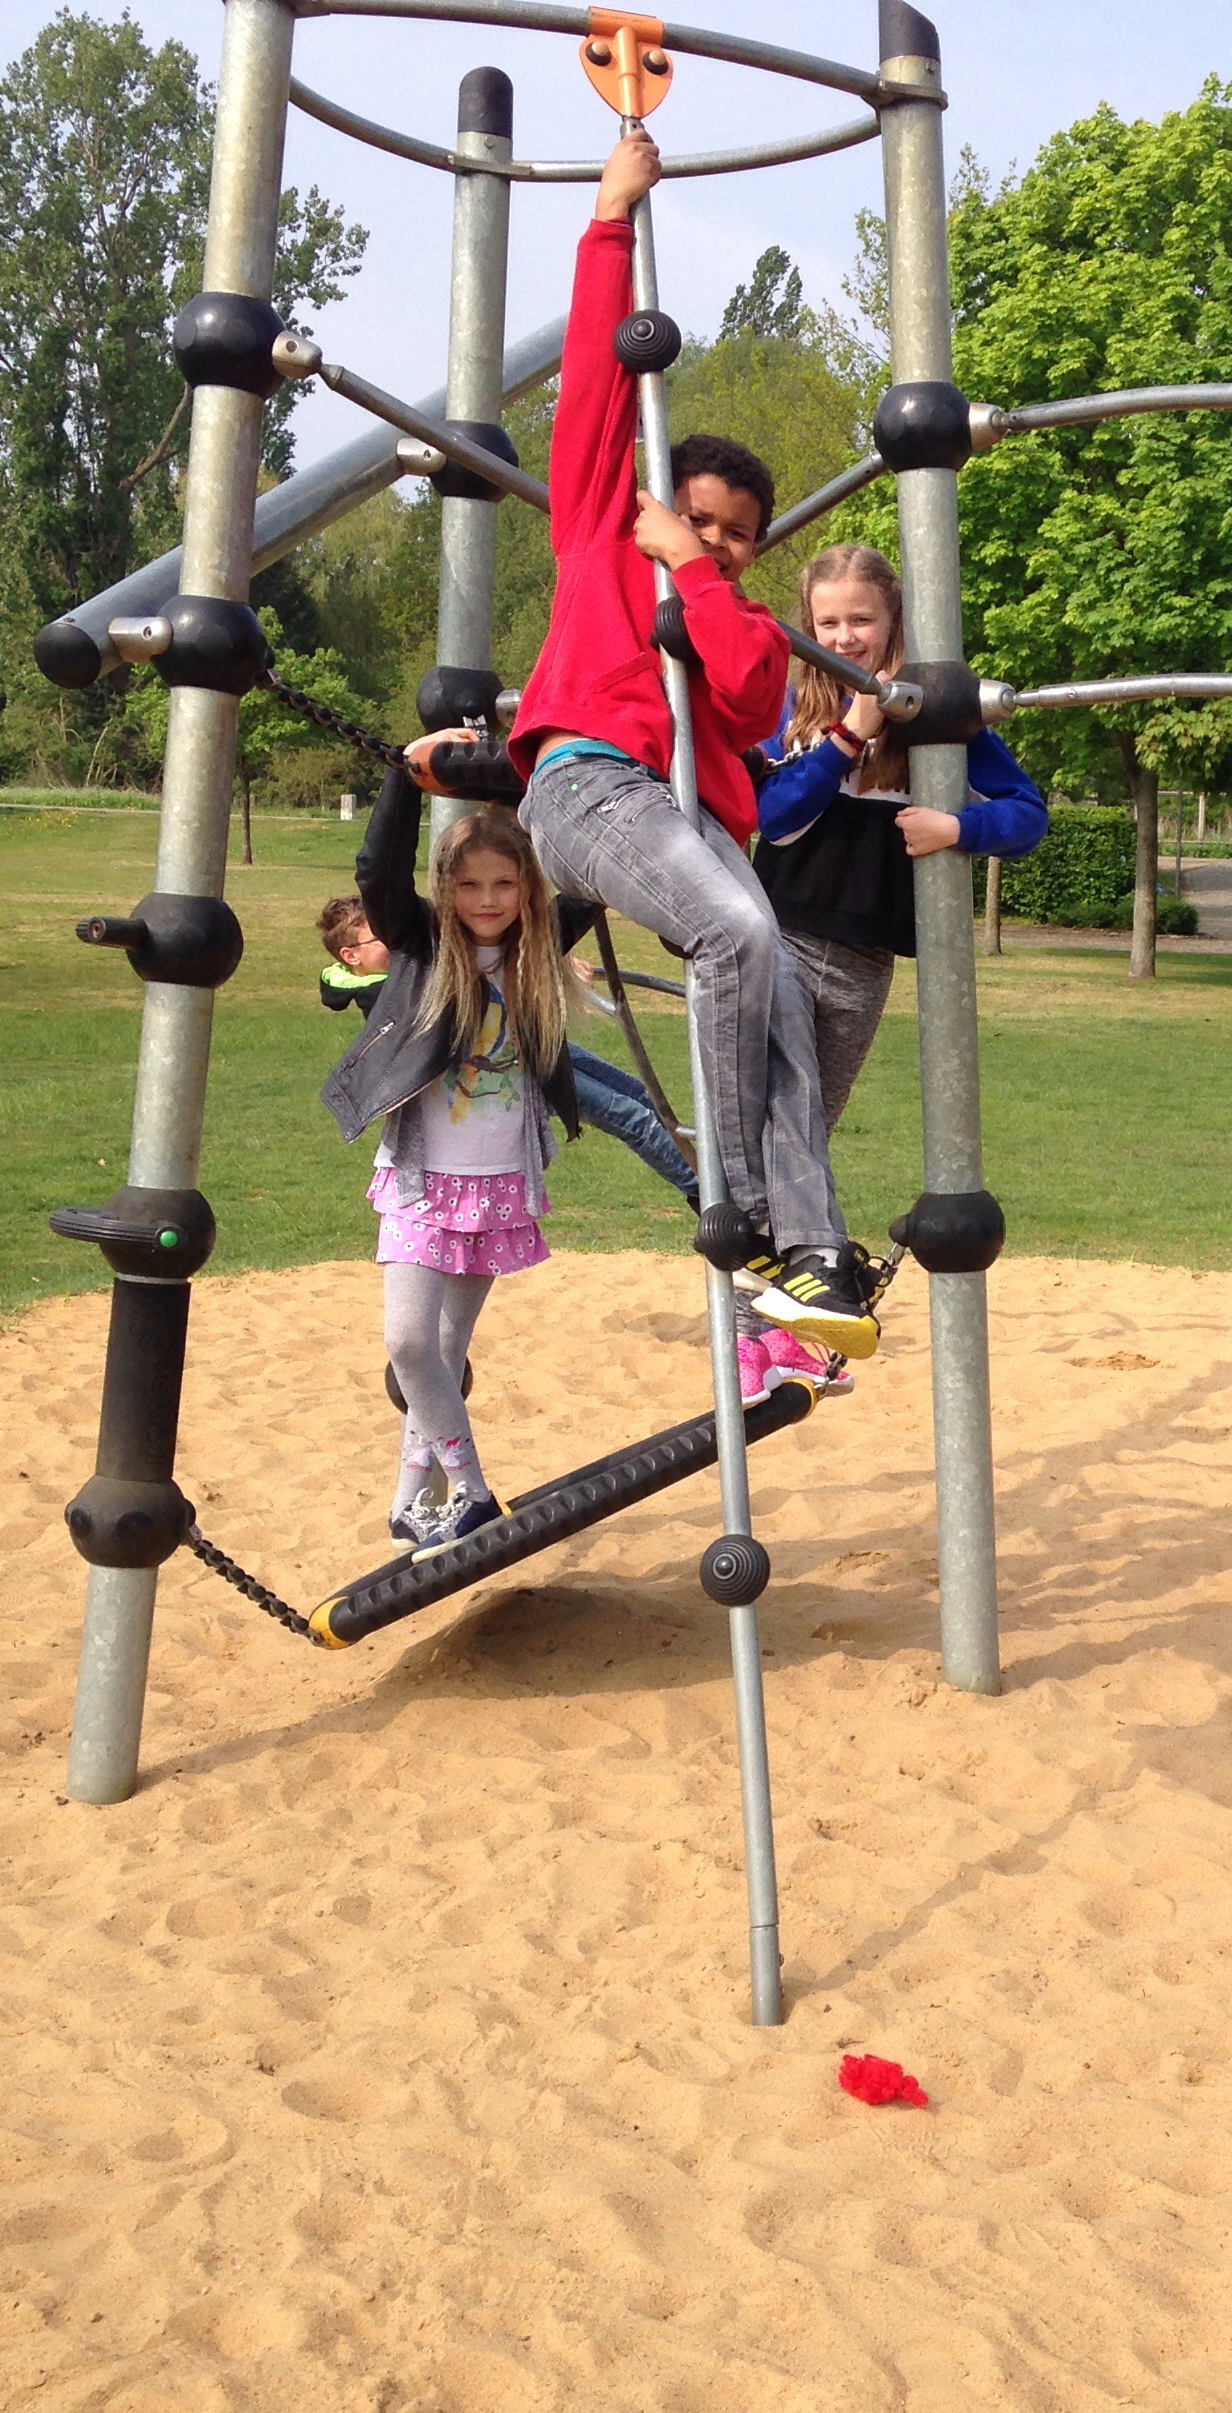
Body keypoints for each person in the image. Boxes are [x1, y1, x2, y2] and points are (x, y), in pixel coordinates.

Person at [495, 124, 875, 1358]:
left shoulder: (731, 609)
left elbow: (755, 696)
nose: (713, 539)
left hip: (687, 810)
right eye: (697, 519)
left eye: (735, 534)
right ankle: (746, 1208)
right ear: (660, 500)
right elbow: (599, 386)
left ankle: (809, 1256)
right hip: (589, 782)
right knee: (740, 930)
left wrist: (694, 578)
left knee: (776, 1021)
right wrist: (611, 213)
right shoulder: (601, 523)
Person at [319, 764, 580, 1553]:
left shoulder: (538, 950)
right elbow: (377, 874)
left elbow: (599, 877)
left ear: (528, 891)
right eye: (469, 886)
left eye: (505, 883)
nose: (488, 900)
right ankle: (469, 1489)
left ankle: (407, 1501)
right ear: (447, 890)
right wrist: (403, 775)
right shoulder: (424, 945)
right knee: (406, 1343)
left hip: (498, 1185)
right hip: (421, 1183)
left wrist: (569, 771)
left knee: (443, 1354)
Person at [753, 543, 1048, 1126]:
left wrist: (958, 827)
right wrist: (847, 737)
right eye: (827, 623)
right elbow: (771, 816)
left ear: (894, 623)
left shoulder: (936, 718)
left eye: (862, 620)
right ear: (807, 628)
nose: (844, 638)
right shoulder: (788, 711)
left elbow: (1027, 814)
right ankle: (751, 1213)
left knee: (813, 1126)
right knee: (769, 1118)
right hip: (778, 941)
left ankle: (777, 1219)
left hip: (865, 962)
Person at [318, 889, 700, 1209]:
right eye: (380, 937)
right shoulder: (381, 993)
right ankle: (706, 1198)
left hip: (525, 1042)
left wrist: (551, 958)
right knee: (630, 1117)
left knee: (637, 1093)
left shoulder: (412, 962)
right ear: (351, 956)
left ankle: (719, 1182)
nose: (397, 939)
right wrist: (552, 970)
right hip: (505, 1071)